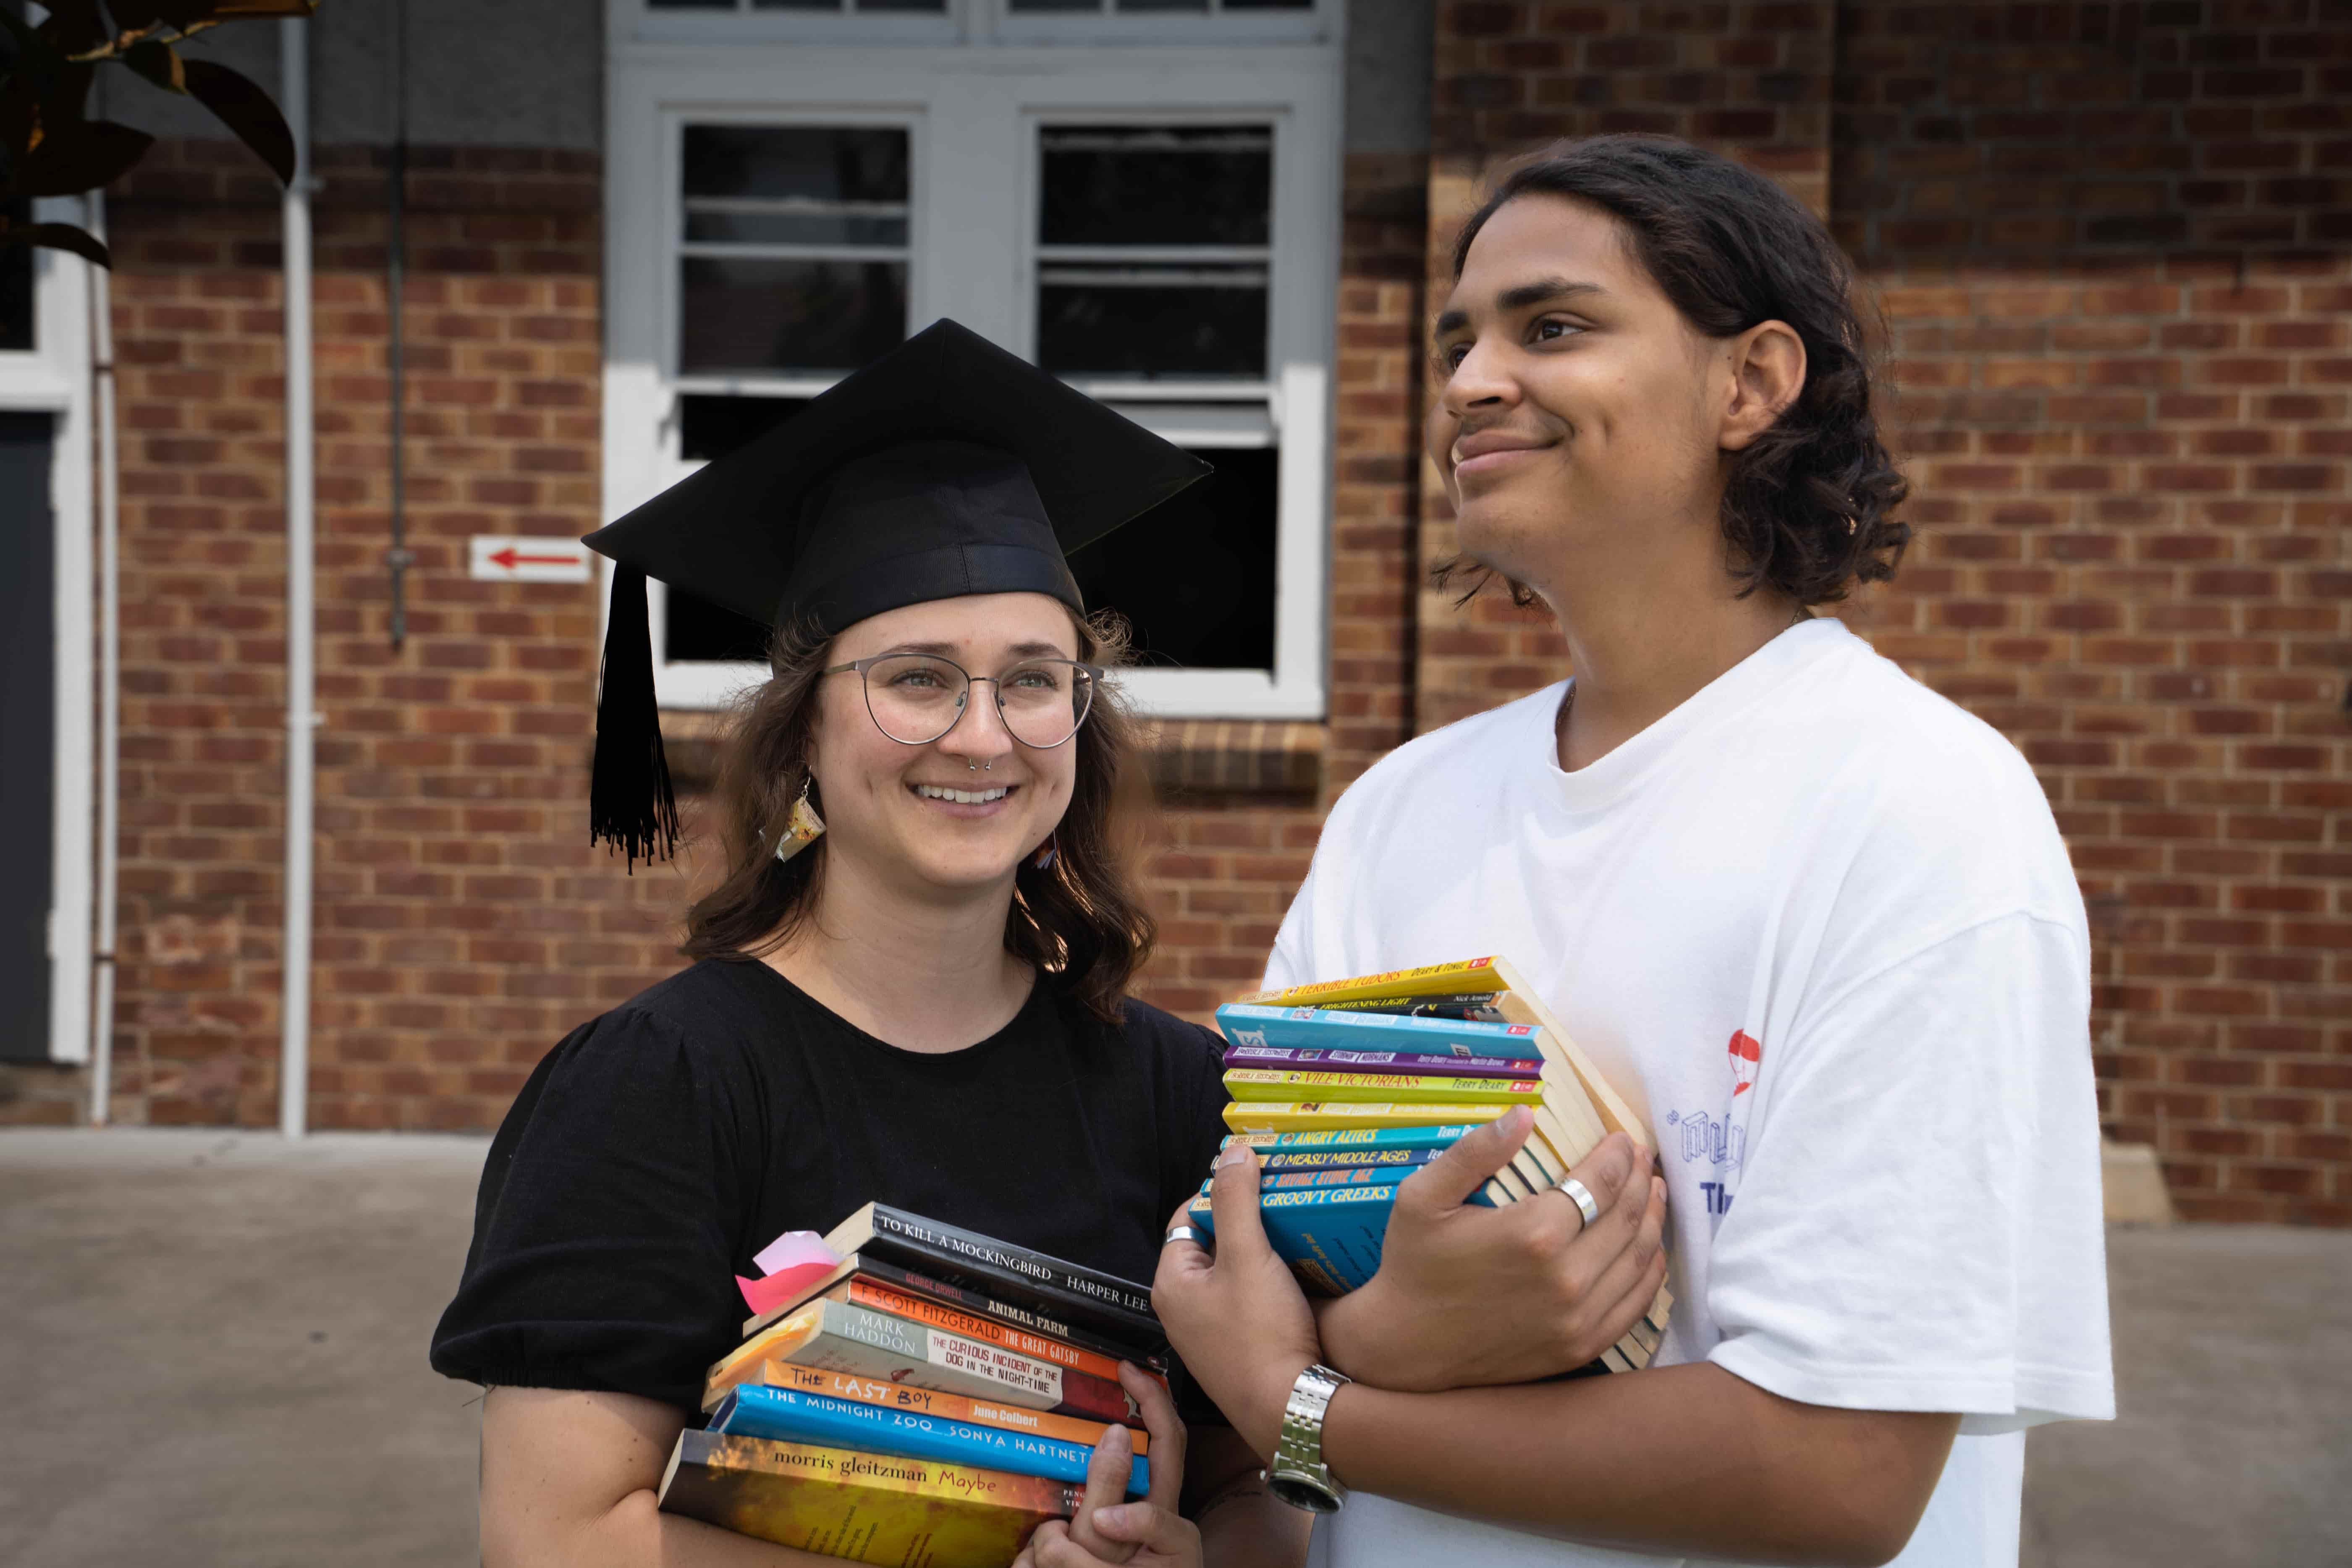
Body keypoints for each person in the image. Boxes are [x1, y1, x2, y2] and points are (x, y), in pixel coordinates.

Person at [1153, 134, 2115, 1568]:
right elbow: (1236, 1258)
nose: (1472, 382)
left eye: (1551, 328)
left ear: (1751, 382)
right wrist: (1385, 1331)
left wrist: (1310, 1408)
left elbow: (1836, 1474)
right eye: (1458, 343)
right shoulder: (1401, 808)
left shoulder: (1913, 809)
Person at [430, 321, 1309, 1568]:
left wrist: (1205, 1560)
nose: (981, 736)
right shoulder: (658, 1087)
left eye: (1031, 679)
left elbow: (1259, 1482)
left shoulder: (1174, 1089)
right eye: (915, 678)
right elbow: (556, 1538)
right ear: (800, 741)